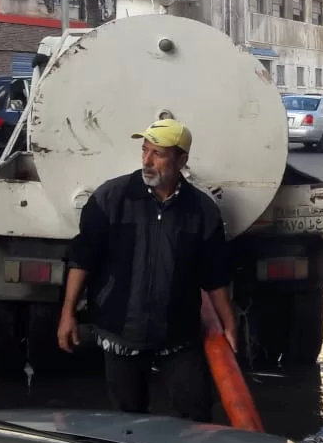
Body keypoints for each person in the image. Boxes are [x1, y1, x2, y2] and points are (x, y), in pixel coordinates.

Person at [58, 118, 239, 421]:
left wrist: (229, 325)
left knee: (196, 410)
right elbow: (82, 257)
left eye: (159, 154)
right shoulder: (111, 198)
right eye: (145, 150)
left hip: (177, 334)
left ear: (182, 160)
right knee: (130, 419)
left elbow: (214, 275)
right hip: (120, 332)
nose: (148, 160)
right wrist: (68, 313)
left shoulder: (201, 211)